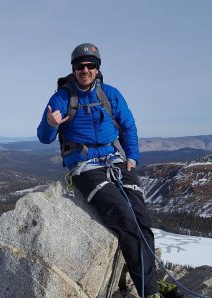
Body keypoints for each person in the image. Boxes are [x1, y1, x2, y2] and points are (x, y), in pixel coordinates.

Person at [37, 43, 168, 298]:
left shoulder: (110, 94)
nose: (85, 70)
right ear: (73, 70)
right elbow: (43, 137)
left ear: (97, 69)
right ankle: (150, 292)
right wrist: (50, 124)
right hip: (84, 165)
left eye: (90, 65)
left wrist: (132, 157)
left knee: (142, 219)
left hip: (115, 159)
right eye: (80, 66)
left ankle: (151, 284)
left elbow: (128, 126)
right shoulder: (61, 98)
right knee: (124, 217)